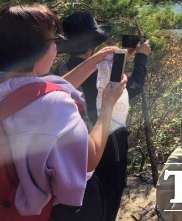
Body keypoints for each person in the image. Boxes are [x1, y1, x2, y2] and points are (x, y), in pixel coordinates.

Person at [0, 4, 127, 218]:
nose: (58, 46)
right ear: (36, 48)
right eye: (55, 40)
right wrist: (108, 105)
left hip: (11, 196)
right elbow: (90, 158)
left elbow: (52, 87)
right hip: (61, 208)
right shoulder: (54, 105)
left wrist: (95, 60)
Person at [56, 11, 151, 221]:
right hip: (109, 144)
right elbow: (133, 88)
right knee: (108, 198)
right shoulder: (105, 70)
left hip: (76, 146)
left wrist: (126, 55)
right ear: (93, 43)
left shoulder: (61, 73)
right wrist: (142, 57)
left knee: (86, 199)